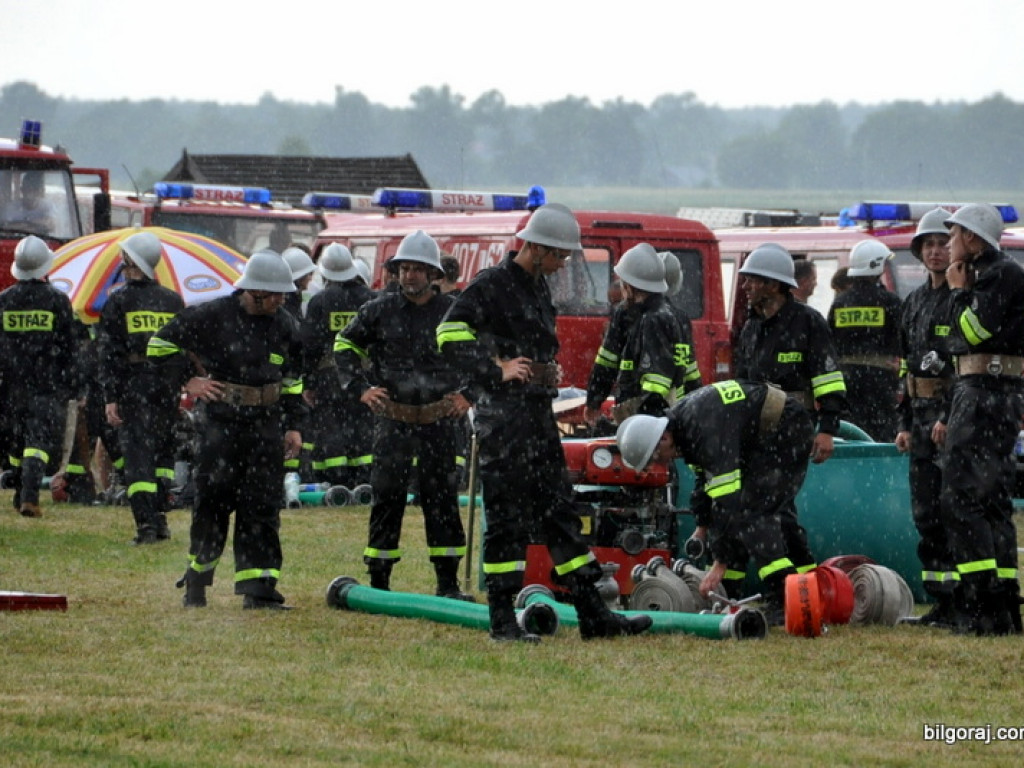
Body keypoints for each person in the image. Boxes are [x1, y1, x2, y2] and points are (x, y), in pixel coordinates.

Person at [437, 202, 652, 642]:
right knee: (508, 518)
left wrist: (545, 368)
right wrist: (495, 370)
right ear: (533, 247)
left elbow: (531, 343)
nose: (563, 264)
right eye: (558, 255)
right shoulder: (493, 285)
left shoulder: (536, 288)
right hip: (504, 420)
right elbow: (448, 333)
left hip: (536, 413)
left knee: (559, 511)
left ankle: (593, 615)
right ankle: (501, 621)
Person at [148, 249, 306, 610]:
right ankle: (197, 584)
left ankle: (260, 590)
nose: (283, 300)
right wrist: (188, 380)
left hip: (266, 425)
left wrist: (294, 425)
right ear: (254, 291)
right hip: (221, 424)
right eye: (276, 294)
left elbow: (293, 379)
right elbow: (159, 345)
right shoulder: (212, 315)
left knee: (263, 507)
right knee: (213, 504)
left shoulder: (285, 324)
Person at [335, 230, 474, 600]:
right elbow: (344, 345)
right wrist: (360, 388)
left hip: (439, 422)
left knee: (442, 500)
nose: (408, 276)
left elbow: (484, 352)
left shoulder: (453, 312)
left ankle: (448, 585)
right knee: (387, 498)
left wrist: (470, 395)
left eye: (417, 269)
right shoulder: (377, 310)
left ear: (433, 275)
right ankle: (379, 583)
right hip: (393, 422)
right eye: (403, 269)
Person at [616, 379, 815, 624]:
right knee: (766, 515)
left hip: (785, 430)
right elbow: (704, 484)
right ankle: (735, 593)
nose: (661, 464)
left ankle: (784, 599)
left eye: (656, 457)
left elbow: (726, 501)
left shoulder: (702, 430)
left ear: (664, 438)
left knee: (755, 515)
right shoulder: (683, 426)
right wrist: (701, 527)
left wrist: (719, 562)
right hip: (763, 436)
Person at [723, 243, 848, 592]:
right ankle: (807, 587)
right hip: (755, 432)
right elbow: (742, 385)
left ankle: (782, 593)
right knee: (780, 513)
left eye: (752, 280)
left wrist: (827, 429)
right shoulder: (750, 328)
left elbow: (828, 380)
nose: (745, 286)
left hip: (793, 431)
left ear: (775, 285)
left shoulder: (808, 322)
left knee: (760, 508)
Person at [941, 203, 1024, 635]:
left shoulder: (999, 275)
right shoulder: (998, 274)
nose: (948, 244)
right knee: (991, 499)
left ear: (972, 238)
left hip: (984, 394)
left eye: (953, 235)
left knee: (962, 496)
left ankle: (978, 605)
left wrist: (956, 292)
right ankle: (1002, 606)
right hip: (993, 393)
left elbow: (972, 333)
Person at [97, 231, 185, 544]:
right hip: (166, 388)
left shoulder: (118, 301)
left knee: (138, 459)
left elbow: (108, 353)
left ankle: (146, 526)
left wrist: (110, 396)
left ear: (130, 263)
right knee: (162, 456)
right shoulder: (172, 301)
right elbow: (183, 348)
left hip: (135, 387)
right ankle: (160, 519)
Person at [893, 208, 957, 627]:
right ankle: (939, 599)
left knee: (953, 510)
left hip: (951, 418)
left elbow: (965, 365)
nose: (935, 252)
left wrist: (949, 415)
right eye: (928, 245)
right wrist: (902, 423)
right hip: (918, 420)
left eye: (941, 244)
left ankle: (961, 598)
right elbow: (905, 368)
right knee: (926, 513)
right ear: (919, 252)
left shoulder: (961, 298)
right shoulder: (913, 302)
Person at [0, 236, 78, 517]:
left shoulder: (4, 301)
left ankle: (21, 491)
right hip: (47, 385)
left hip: (12, 386)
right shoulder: (58, 301)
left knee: (18, 441)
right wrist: (73, 384)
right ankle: (30, 497)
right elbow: (70, 347)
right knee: (39, 442)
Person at [583, 243, 693, 429]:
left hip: (652, 417)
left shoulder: (651, 319)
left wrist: (642, 422)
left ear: (631, 286)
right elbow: (689, 373)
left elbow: (655, 384)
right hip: (672, 412)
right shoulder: (673, 316)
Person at [301, 244, 376, 489]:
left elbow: (310, 348)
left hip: (328, 377)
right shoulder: (371, 299)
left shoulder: (319, 302)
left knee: (331, 425)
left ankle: (336, 479)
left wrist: (309, 383)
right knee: (363, 424)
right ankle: (364, 476)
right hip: (364, 375)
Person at [826, 240, 902, 441]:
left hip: (846, 380)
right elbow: (903, 340)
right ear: (877, 266)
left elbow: (830, 342)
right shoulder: (890, 302)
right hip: (880, 380)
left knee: (851, 433)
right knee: (881, 435)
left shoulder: (840, 302)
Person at [282, 246, 317, 319]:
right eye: (308, 275)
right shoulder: (288, 302)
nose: (310, 279)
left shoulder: (292, 298)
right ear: (299, 279)